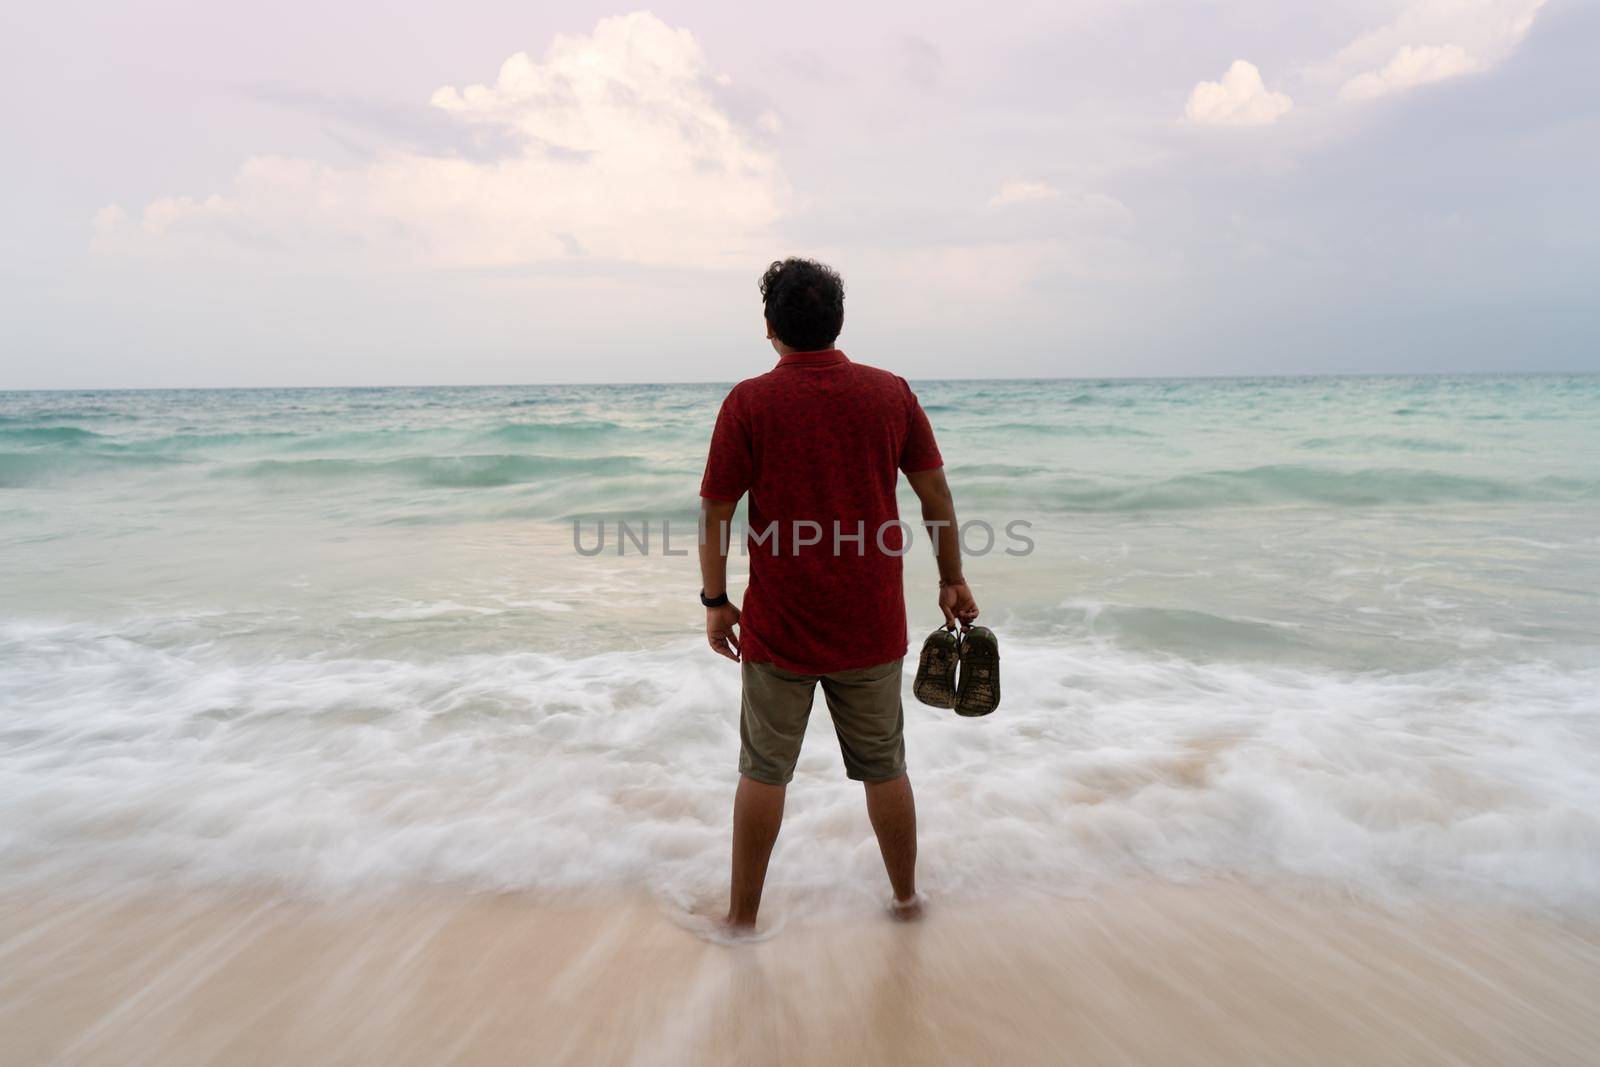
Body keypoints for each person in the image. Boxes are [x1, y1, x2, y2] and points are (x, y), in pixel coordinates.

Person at [697, 257, 979, 935]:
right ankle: (907, 900)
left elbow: (715, 512)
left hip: (781, 624)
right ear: (838, 322)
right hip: (870, 621)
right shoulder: (890, 393)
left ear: (770, 328)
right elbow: (934, 494)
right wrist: (952, 576)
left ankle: (741, 919)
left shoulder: (749, 402)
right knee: (886, 766)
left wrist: (716, 599)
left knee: (764, 771)